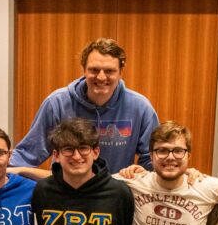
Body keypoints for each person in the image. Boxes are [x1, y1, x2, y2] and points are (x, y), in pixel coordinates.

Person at [11, 38, 159, 173]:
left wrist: (142, 172)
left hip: (115, 195)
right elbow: (29, 153)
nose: (101, 77)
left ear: (121, 72)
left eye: (109, 71)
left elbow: (152, 158)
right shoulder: (57, 103)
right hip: (67, 193)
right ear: (84, 70)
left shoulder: (140, 107)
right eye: (94, 70)